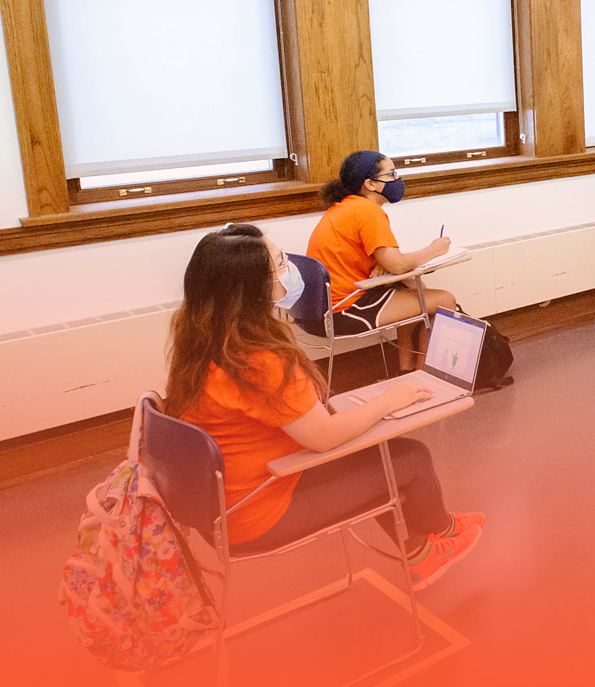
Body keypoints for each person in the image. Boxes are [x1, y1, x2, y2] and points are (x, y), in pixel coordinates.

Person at [166, 224, 484, 590]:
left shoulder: (203, 336)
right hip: (254, 512)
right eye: (280, 263)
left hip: (225, 503)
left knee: (377, 456)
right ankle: (441, 531)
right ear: (250, 289)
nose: (291, 268)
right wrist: (388, 400)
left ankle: (423, 552)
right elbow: (324, 438)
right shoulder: (259, 358)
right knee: (409, 458)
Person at [307, 151, 457, 370]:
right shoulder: (368, 212)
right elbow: (397, 264)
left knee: (413, 291)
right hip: (343, 310)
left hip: (322, 308)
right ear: (370, 184)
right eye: (391, 174)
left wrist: (383, 262)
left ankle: (405, 372)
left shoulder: (346, 207)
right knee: (444, 300)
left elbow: (375, 256)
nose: (397, 179)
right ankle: (425, 379)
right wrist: (435, 249)